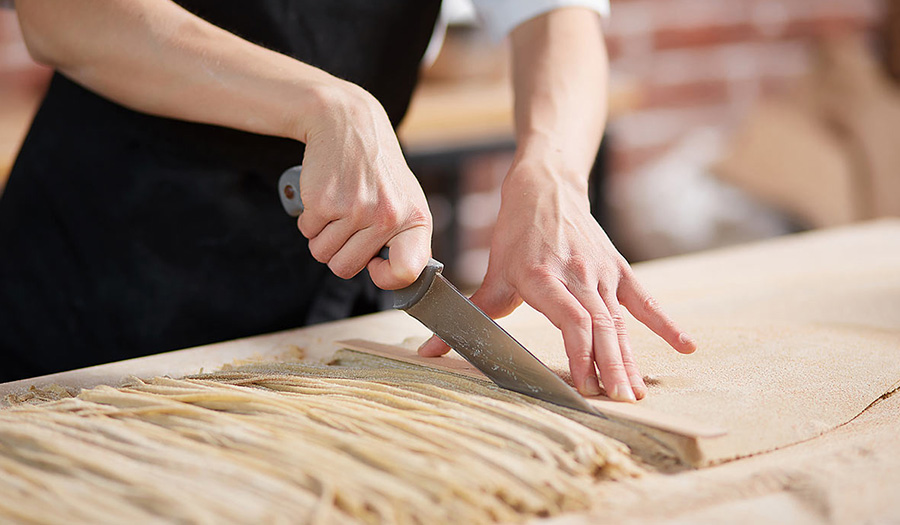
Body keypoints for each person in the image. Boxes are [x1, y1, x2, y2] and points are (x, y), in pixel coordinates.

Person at [0, 0, 695, 400]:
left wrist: (552, 168)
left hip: (322, 282)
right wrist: (328, 103)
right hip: (95, 278)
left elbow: (553, 12)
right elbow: (64, 16)